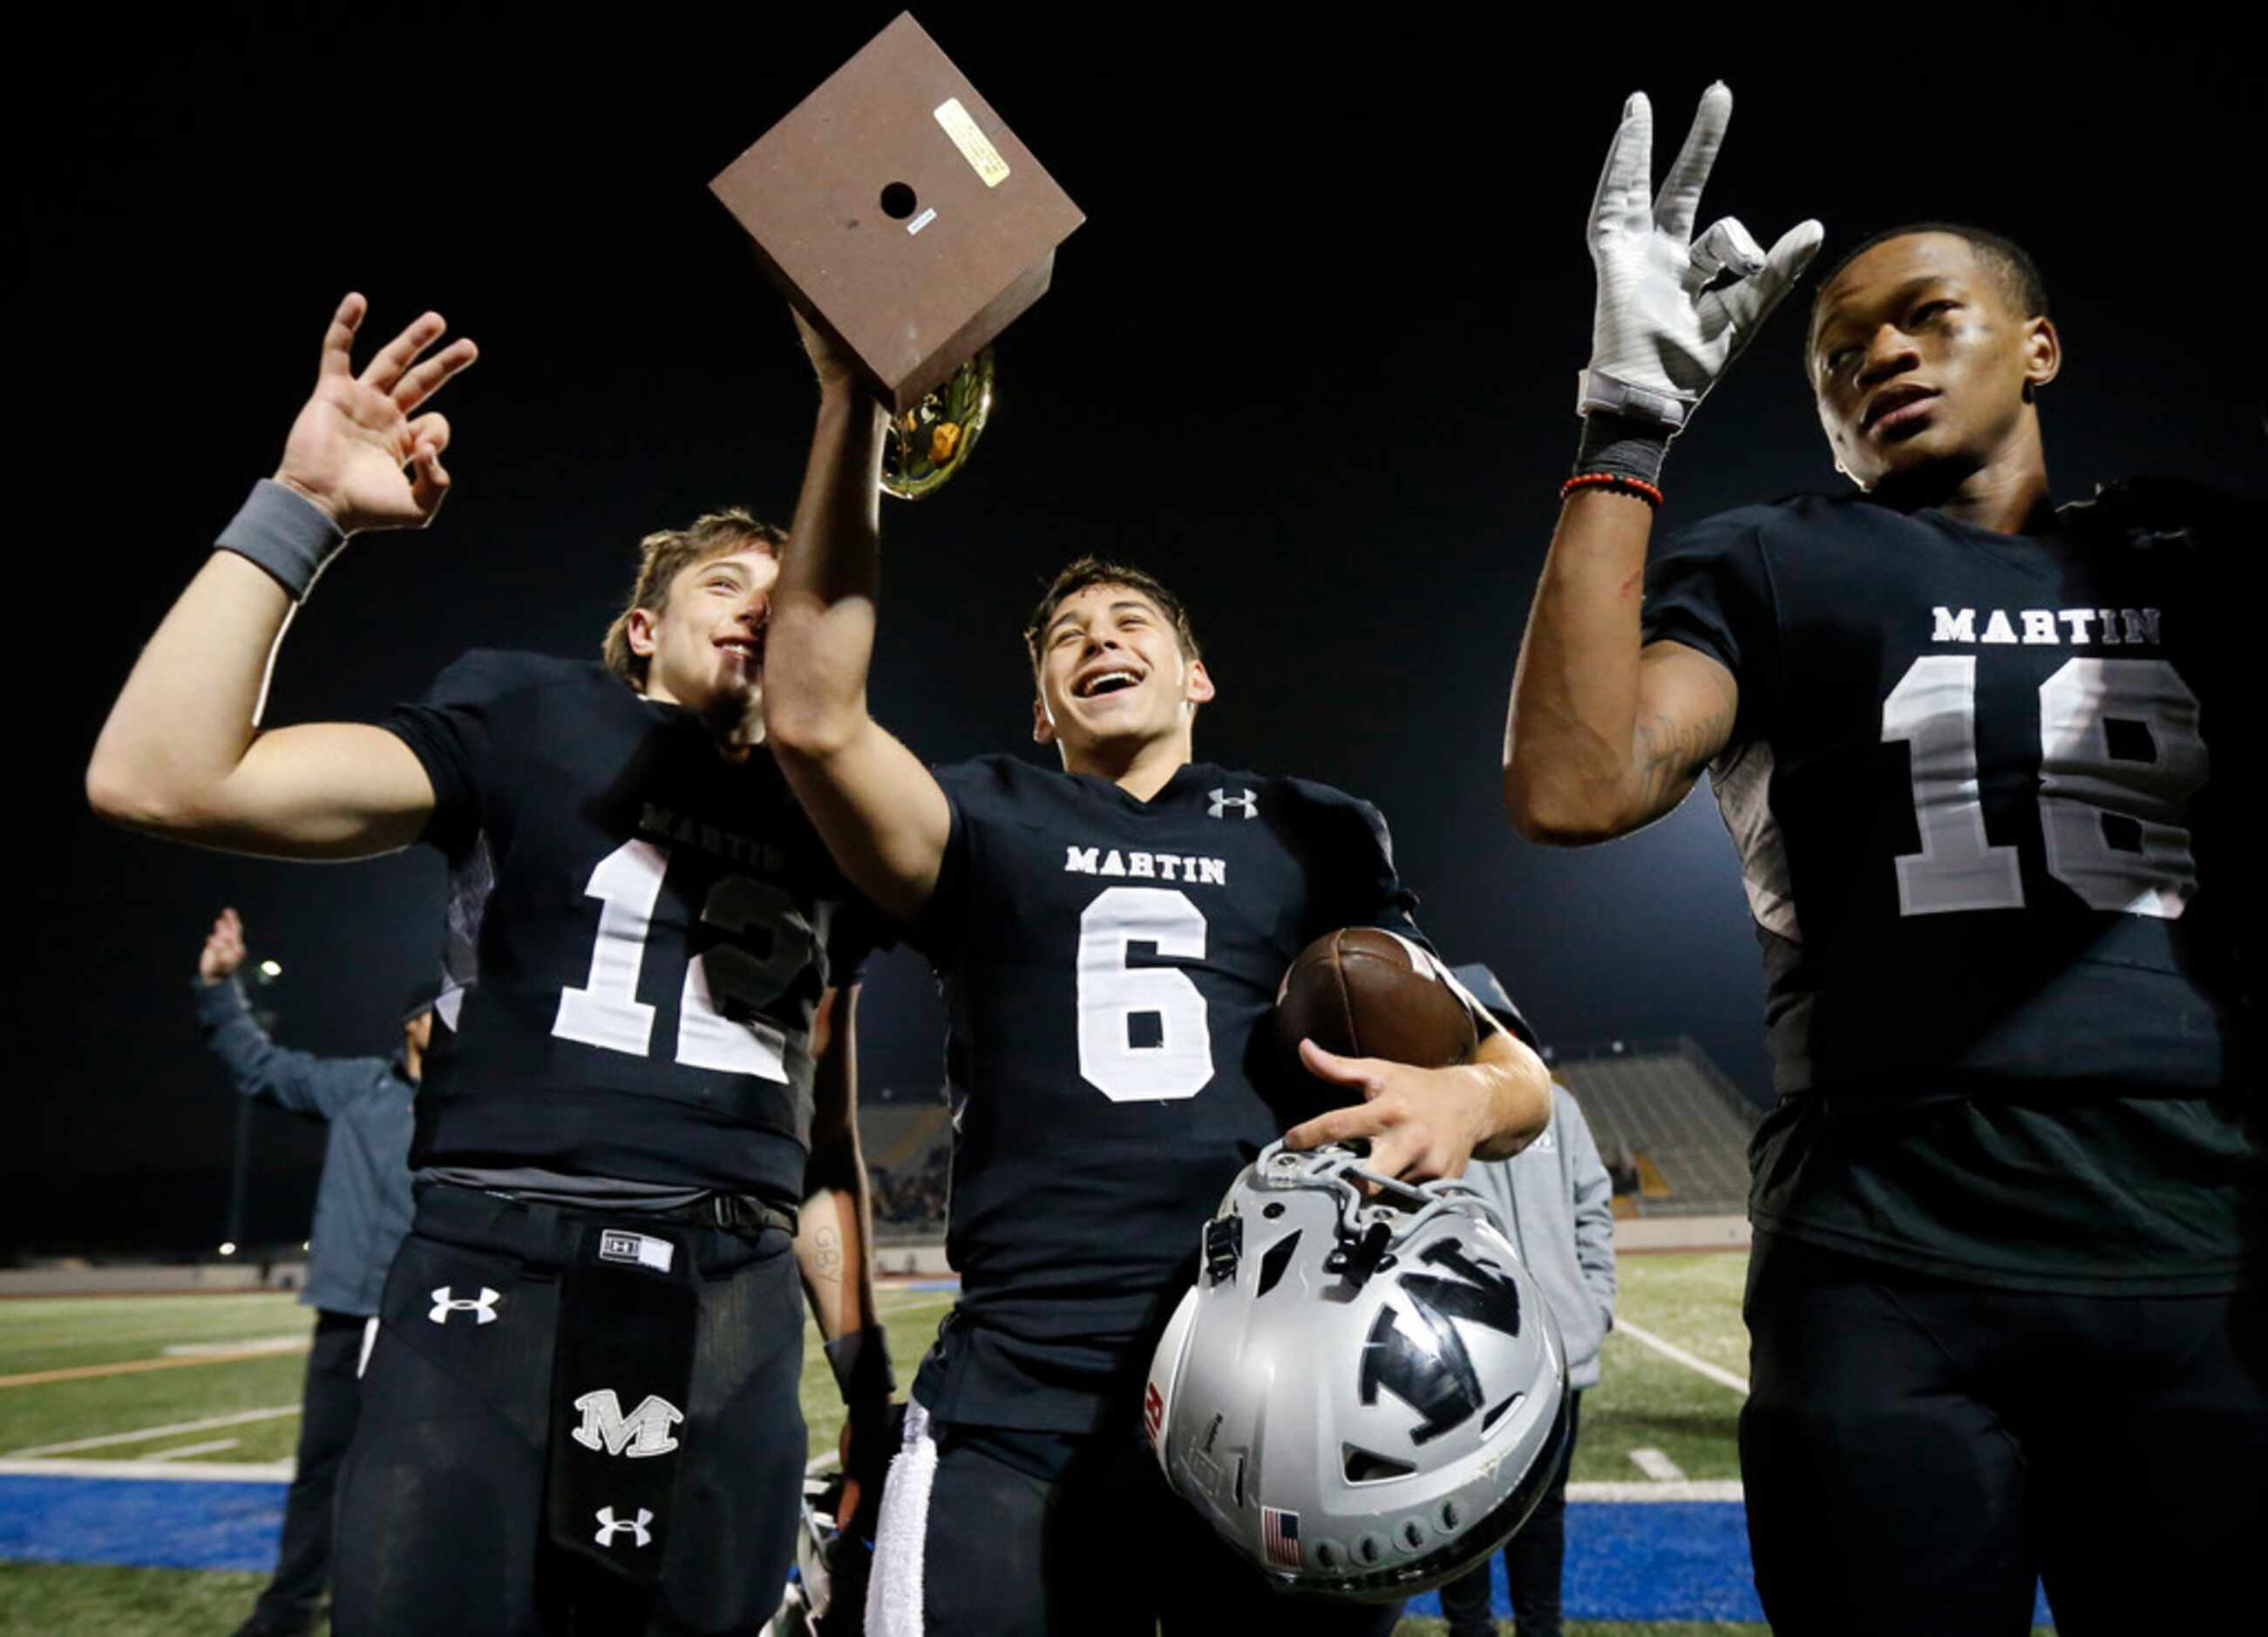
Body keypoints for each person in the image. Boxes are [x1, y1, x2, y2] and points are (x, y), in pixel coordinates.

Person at [1499, 85, 2263, 1634]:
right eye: (1839, 354)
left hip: (2205, 1234)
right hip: (1889, 1242)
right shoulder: (1781, 555)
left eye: (1928, 319)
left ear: (2037, 344)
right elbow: (1576, 781)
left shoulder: (2194, 555)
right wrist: (1627, 425)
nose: (1880, 359)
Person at [88, 295, 890, 1636]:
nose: (761, 607)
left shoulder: (848, 816)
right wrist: (301, 507)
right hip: (498, 1255)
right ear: (641, 629)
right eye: (722, 584)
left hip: (735, 1289)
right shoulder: (530, 714)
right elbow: (160, 773)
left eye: (782, 589)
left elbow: (825, 1145)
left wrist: (865, 1387)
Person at [761, 312, 1555, 1637]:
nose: (1094, 635)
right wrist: (853, 411)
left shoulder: (1313, 824)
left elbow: (1509, 1070)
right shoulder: (986, 812)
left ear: (1194, 672)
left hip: (1276, 1366)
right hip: (1024, 1383)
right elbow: (811, 716)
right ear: (1039, 707)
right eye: (1063, 633)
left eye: (1128, 618)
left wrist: (1465, 1106)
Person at [194, 907, 426, 1637]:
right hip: (350, 1313)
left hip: (440, 1322)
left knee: (441, 1482)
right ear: (413, 1022)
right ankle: (289, 1612)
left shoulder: (480, 1106)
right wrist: (220, 989)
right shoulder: (359, 1087)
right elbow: (260, 1067)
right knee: (322, 1473)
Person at [1434, 966, 1614, 1637]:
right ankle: (1470, 1629)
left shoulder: (1559, 1109)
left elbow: (1593, 1210)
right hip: (1466, 1360)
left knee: (1544, 1510)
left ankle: (1542, 1629)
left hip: (1560, 1350)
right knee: (1461, 1510)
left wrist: (1591, 1310)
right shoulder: (1435, 1109)